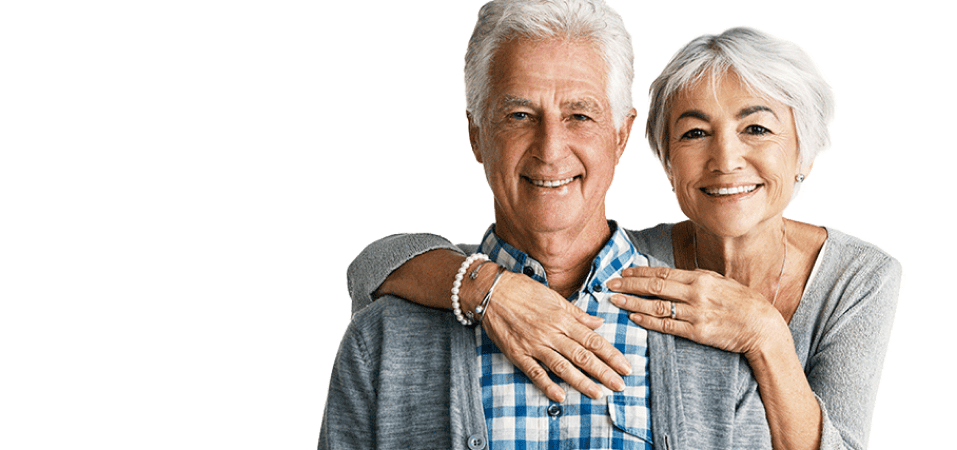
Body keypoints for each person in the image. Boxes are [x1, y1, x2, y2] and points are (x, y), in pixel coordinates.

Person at [343, 16, 904, 450]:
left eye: (757, 127)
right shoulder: (649, 265)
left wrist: (764, 333)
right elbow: (373, 269)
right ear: (661, 154)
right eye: (694, 133)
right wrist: (488, 289)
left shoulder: (853, 280)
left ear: (620, 135)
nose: (726, 160)